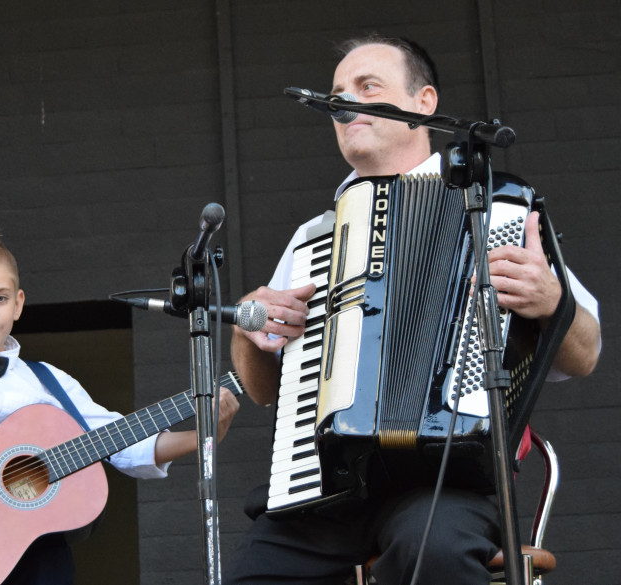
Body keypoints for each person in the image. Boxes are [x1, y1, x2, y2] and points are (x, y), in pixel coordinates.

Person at [224, 34, 601, 585]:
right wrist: (247, 334)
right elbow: (263, 391)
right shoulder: (313, 242)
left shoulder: (493, 207)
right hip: (331, 488)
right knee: (250, 576)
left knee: (435, 552)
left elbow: (586, 355)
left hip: (451, 485)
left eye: (366, 86)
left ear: (424, 102)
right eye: (336, 94)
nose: (344, 102)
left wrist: (551, 302)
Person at [0, 232, 241, 585]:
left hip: (32, 553)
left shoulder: (50, 383)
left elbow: (124, 445)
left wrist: (201, 436)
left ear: (18, 304)